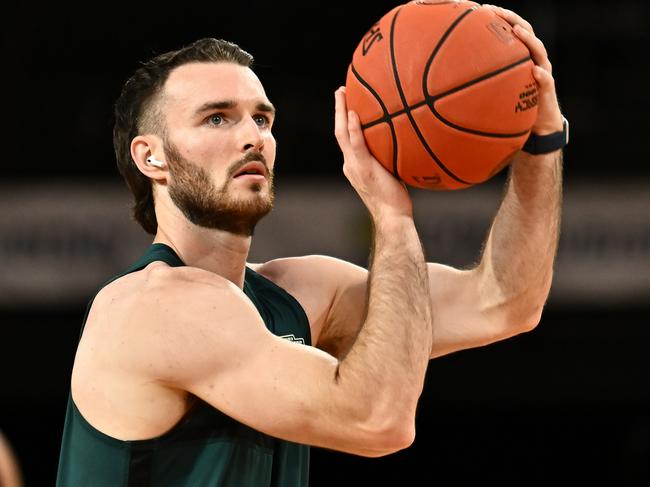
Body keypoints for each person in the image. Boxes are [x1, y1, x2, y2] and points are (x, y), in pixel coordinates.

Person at [56, 5, 565, 486]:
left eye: (262, 118)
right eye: (217, 118)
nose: (252, 137)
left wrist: (541, 140)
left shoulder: (300, 293)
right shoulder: (150, 307)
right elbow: (377, 420)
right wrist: (391, 217)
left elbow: (504, 304)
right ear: (151, 158)